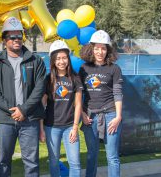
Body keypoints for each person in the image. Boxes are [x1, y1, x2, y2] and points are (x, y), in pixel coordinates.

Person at [0, 17, 46, 177]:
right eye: (12, 37)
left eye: (19, 36)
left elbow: (40, 88)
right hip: (6, 120)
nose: (16, 40)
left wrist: (24, 110)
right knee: (4, 161)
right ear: (4, 40)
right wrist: (12, 110)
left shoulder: (35, 60)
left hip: (30, 119)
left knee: (32, 162)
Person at [79, 30, 123, 177]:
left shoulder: (115, 69)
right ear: (91, 49)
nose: (100, 51)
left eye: (103, 48)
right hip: (90, 117)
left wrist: (118, 117)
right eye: (96, 48)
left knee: (112, 157)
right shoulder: (84, 68)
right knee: (92, 155)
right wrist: (83, 115)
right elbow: (79, 95)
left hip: (111, 115)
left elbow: (117, 93)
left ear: (108, 50)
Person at [40, 40, 83, 177]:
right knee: (53, 161)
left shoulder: (75, 78)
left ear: (68, 59)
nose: (61, 61)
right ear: (53, 60)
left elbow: (78, 105)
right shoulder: (48, 79)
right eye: (58, 58)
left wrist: (75, 127)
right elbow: (42, 106)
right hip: (51, 127)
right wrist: (41, 129)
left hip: (70, 126)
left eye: (64, 57)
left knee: (75, 163)